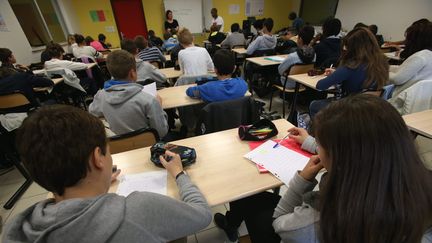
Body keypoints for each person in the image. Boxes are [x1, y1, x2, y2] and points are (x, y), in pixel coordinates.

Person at [216, 94, 432, 243]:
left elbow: (280, 222)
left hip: (294, 232)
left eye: (322, 145)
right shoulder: (417, 186)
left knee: (250, 197)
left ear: (339, 158)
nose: (318, 148)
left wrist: (301, 180)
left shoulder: (319, 218)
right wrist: (309, 142)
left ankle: (231, 224)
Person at [2, 104, 212, 242]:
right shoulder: (140, 208)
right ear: (97, 159)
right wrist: (179, 174)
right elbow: (202, 215)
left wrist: (97, 184)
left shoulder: (19, 228)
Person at [309, 27, 389, 117]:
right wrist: (337, 72)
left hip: (349, 108)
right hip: (369, 109)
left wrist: (337, 73)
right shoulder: (382, 64)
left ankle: (321, 130)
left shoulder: (350, 67)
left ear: (353, 48)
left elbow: (320, 85)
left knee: (314, 105)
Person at [89, 50, 169, 138]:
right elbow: (161, 132)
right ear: (132, 73)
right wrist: (159, 107)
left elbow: (92, 112)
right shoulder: (149, 100)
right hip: (147, 147)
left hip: (120, 147)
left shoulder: (100, 96)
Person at [388, 21, 432, 102]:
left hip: (401, 102)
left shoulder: (420, 56)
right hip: (420, 102)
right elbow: (405, 69)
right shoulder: (428, 54)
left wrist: (381, 71)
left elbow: (397, 79)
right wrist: (388, 67)